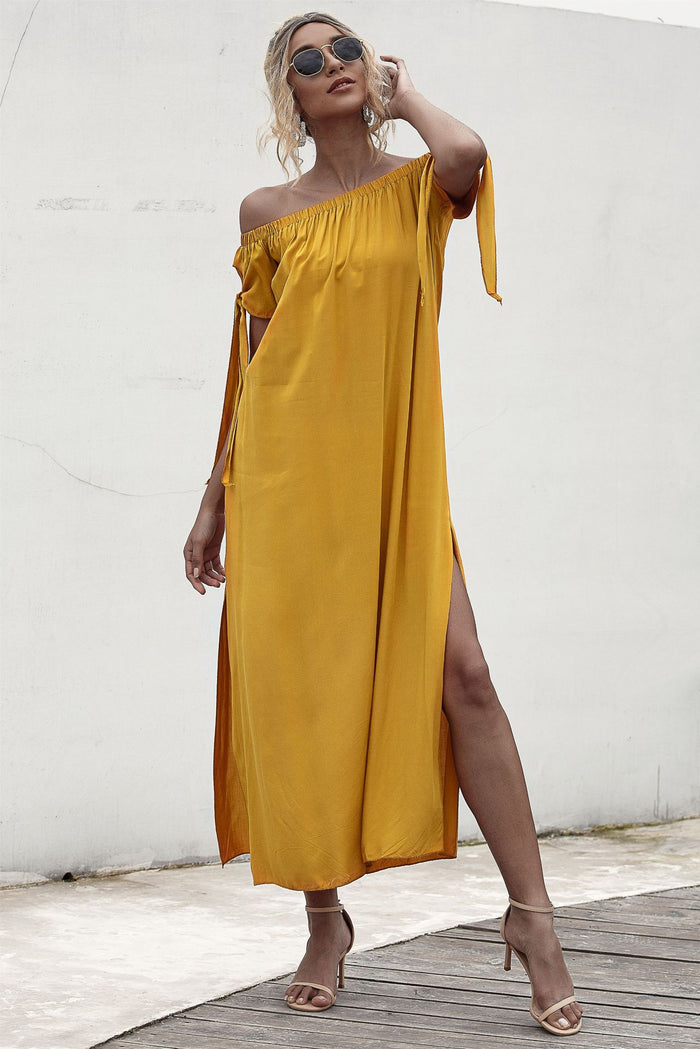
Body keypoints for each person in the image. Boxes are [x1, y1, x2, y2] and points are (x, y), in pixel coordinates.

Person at [183, 10, 583, 1037]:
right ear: (291, 95)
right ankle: (325, 924)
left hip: (392, 474)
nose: (328, 67)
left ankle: (534, 919)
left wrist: (404, 98)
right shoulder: (266, 208)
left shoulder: (417, 188)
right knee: (305, 703)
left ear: (372, 66)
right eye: (304, 62)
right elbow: (255, 362)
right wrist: (214, 499)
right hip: (284, 486)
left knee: (466, 676)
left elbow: (467, 155)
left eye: (343, 50)